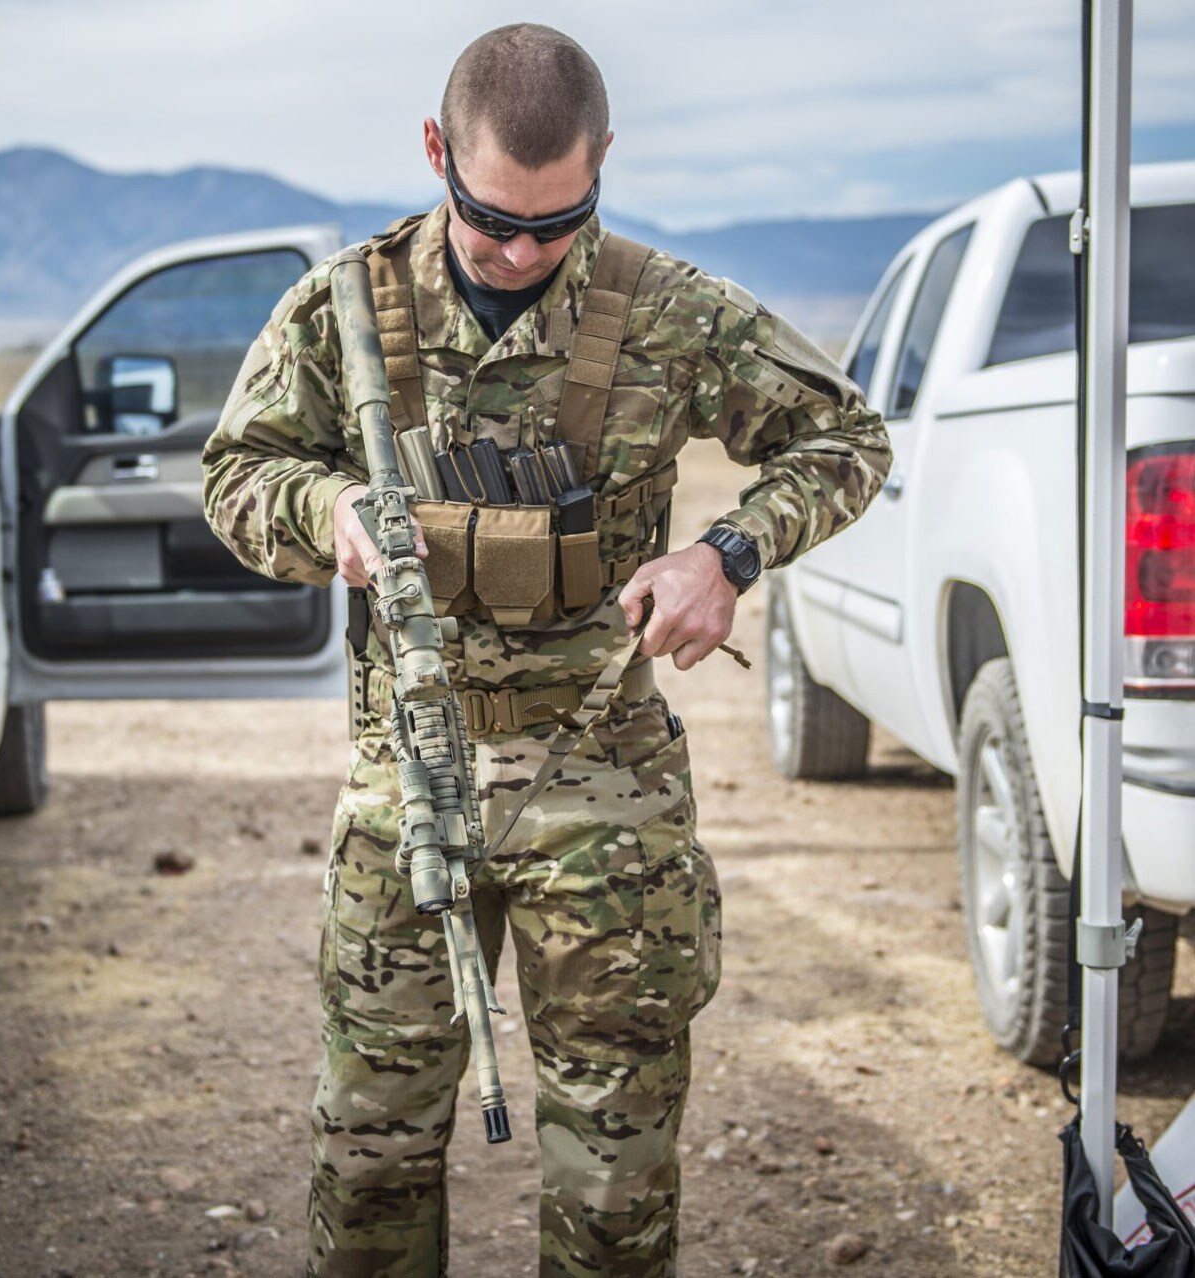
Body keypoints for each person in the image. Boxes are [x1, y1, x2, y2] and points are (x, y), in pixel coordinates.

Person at [202, 23, 891, 1278]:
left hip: (604, 801)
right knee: (369, 1150)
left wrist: (724, 557)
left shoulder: (673, 312)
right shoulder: (343, 311)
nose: (522, 253)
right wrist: (332, 512)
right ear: (435, 154)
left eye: (557, 222)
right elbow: (236, 478)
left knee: (612, 1172)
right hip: (409, 784)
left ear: (605, 162)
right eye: (490, 220)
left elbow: (846, 442)